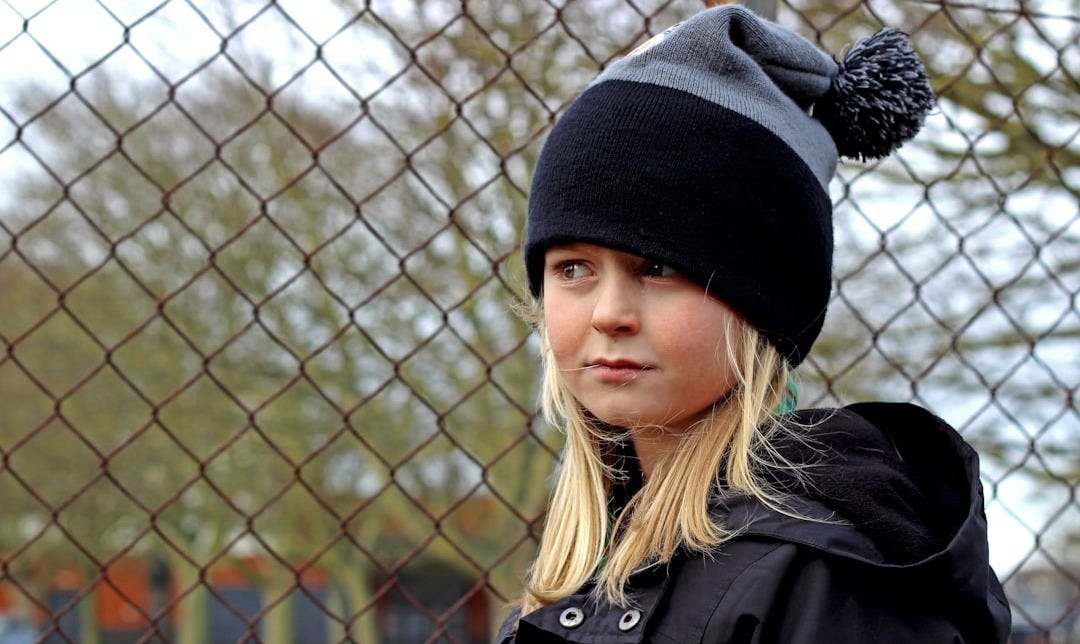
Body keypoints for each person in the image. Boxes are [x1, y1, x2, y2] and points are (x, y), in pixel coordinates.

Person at [496, 5, 1012, 643]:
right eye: (573, 269)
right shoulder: (583, 570)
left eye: (656, 266)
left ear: (763, 304)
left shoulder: (820, 578)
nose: (608, 314)